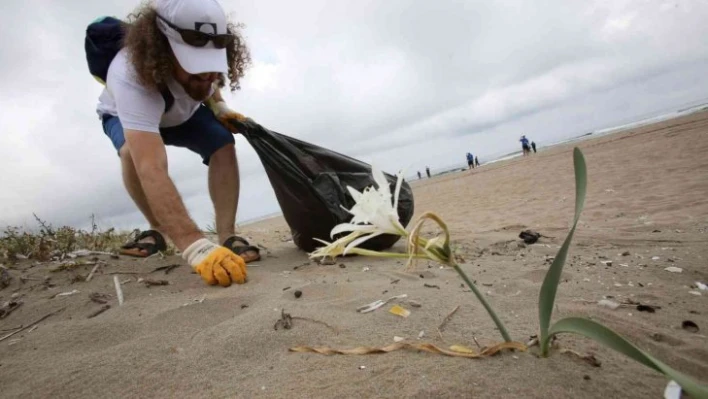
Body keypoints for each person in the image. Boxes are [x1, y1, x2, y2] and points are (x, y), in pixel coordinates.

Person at [92, 0, 259, 287]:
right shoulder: (129, 74)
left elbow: (211, 81)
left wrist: (220, 108)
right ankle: (157, 231)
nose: (205, 74)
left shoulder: (210, 51)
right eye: (195, 67)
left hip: (183, 113)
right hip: (129, 116)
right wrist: (195, 245)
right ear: (162, 49)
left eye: (210, 66)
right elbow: (151, 167)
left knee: (223, 143)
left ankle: (228, 235)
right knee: (133, 154)